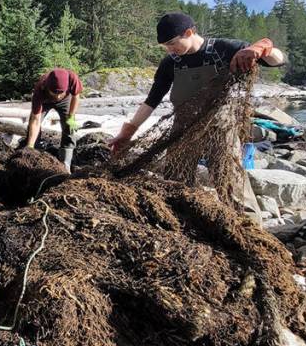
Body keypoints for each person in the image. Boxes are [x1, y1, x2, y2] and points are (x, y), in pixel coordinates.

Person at [109, 12, 286, 210]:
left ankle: (247, 224)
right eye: (165, 46)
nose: (170, 50)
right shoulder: (170, 62)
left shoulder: (224, 49)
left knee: (230, 182)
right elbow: (152, 100)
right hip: (182, 129)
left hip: (220, 128)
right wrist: (128, 132)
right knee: (175, 182)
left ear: (189, 32)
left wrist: (261, 48)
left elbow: (278, 60)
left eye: (172, 43)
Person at [24, 68, 82, 171]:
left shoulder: (72, 78)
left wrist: (71, 117)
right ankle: (33, 155)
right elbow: (36, 120)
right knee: (31, 127)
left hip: (66, 100)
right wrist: (30, 146)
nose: (58, 96)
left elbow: (76, 96)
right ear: (48, 87)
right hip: (45, 101)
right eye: (55, 92)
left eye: (61, 92)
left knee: (69, 126)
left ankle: (66, 162)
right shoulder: (40, 88)